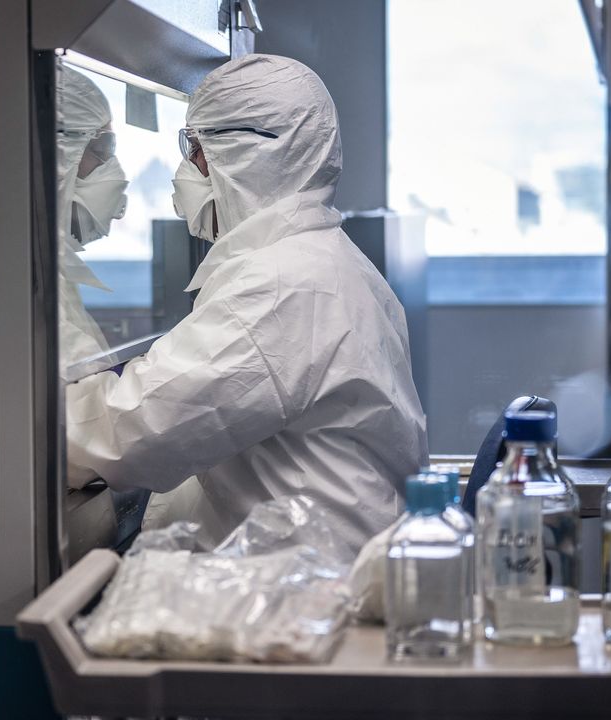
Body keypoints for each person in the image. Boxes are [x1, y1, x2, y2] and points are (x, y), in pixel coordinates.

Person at [65, 54, 427, 548]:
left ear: (239, 155)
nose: (185, 170)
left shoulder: (282, 284)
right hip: (322, 564)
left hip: (312, 588)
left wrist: (26, 418)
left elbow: (133, 433)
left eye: (194, 149)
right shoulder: (321, 260)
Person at [55, 65, 128, 365]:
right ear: (57, 150)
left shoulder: (48, 271)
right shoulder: (8, 281)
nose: (115, 171)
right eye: (102, 148)